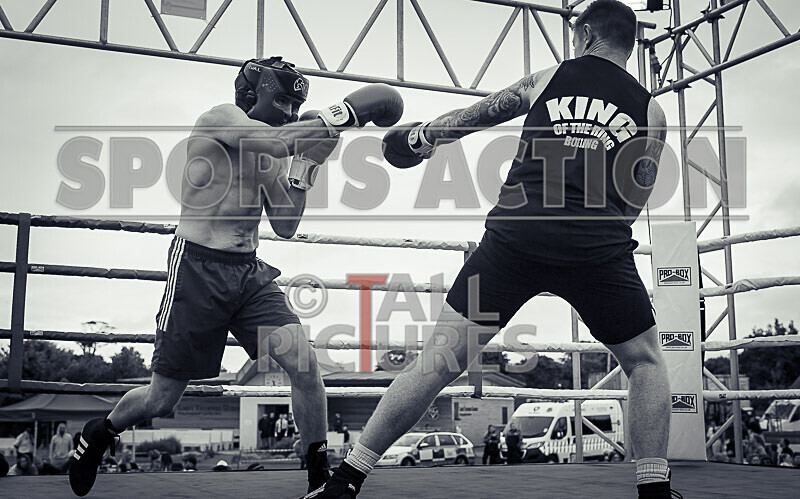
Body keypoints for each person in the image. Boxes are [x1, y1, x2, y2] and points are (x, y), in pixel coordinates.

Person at [306, 2, 675, 498]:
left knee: (436, 361)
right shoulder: (652, 111)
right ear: (630, 42)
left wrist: (419, 139)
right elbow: (637, 193)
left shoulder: (550, 77)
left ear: (586, 33)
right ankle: (653, 491)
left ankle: (345, 481)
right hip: (596, 246)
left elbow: (472, 117)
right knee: (645, 362)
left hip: (514, 239)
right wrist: (596, 235)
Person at [66, 56, 402, 497]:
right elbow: (279, 140)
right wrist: (343, 115)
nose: (286, 109)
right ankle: (99, 432)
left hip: (249, 276)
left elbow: (285, 222)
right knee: (162, 401)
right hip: (198, 270)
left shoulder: (276, 151)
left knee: (305, 367)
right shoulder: (220, 118)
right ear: (252, 93)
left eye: (292, 102)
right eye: (280, 97)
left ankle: (320, 481)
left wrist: (308, 167)